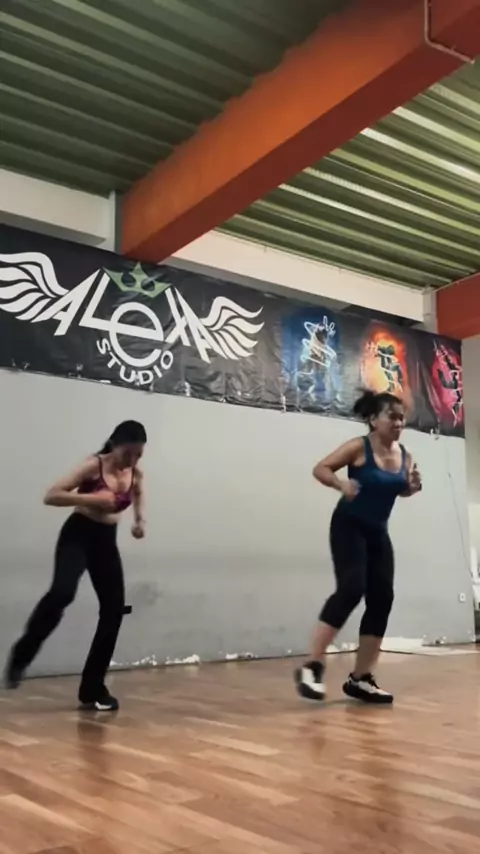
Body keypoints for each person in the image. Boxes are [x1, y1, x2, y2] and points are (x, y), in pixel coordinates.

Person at [4, 420, 147, 712]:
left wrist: (139, 521)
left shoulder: (135, 473)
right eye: (127, 454)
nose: (131, 461)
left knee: (113, 611)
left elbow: (139, 493)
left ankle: (93, 690)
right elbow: (51, 495)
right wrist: (91, 498)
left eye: (138, 455)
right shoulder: (93, 466)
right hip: (78, 535)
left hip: (106, 541)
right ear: (114, 445)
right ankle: (22, 655)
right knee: (62, 593)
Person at [295, 391, 422, 705]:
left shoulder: (406, 455)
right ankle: (312, 667)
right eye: (392, 416)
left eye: (402, 417)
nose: (399, 423)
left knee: (382, 598)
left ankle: (361, 678)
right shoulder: (358, 447)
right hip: (348, 527)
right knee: (352, 589)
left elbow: (398, 490)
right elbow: (321, 468)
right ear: (373, 419)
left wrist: (410, 488)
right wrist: (341, 484)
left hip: (378, 532)